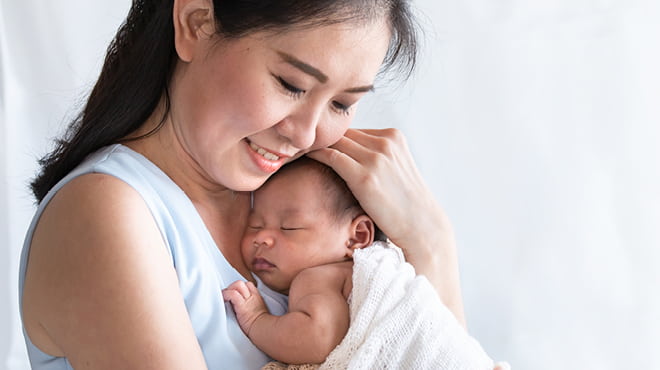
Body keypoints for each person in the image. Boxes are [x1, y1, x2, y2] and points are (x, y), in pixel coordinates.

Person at [19, 0, 467, 369]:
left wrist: (430, 243)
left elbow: (430, 352)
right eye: (291, 84)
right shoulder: (107, 213)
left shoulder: (299, 199)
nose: (307, 134)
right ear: (195, 23)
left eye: (341, 103)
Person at [223, 157, 379, 365]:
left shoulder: (317, 277)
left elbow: (318, 339)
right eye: (255, 225)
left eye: (289, 227)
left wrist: (256, 319)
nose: (262, 238)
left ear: (356, 237)